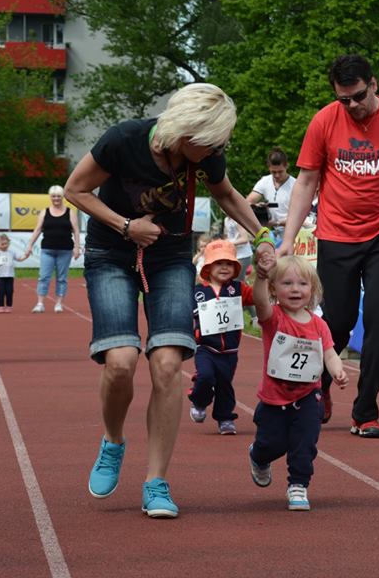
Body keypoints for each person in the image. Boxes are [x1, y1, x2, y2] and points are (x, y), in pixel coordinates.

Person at [63, 82, 275, 519]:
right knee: (120, 361)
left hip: (171, 256)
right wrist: (127, 226)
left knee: (166, 365)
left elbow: (227, 194)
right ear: (187, 135)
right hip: (112, 251)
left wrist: (263, 235)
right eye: (214, 142)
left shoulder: (207, 153)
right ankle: (113, 441)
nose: (220, 148)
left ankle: (156, 482)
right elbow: (75, 190)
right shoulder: (124, 140)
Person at [280, 53, 379, 438]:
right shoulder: (324, 121)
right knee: (339, 321)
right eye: (343, 99)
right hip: (335, 235)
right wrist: (286, 242)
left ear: (374, 84)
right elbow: (306, 181)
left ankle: (366, 410)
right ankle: (322, 387)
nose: (352, 106)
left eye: (358, 97)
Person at [248, 254, 349, 511]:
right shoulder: (274, 319)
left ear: (313, 290)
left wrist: (337, 371)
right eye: (287, 283)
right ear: (274, 289)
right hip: (274, 398)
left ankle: (298, 485)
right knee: (270, 444)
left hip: (308, 396)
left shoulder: (319, 325)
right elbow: (259, 302)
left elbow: (329, 352)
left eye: (302, 284)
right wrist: (261, 277)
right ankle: (258, 457)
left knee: (305, 442)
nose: (295, 289)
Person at [189, 239, 255, 435]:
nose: (224, 267)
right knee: (206, 376)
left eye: (228, 264)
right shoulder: (197, 292)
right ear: (208, 267)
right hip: (205, 347)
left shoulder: (239, 289)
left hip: (230, 350)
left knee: (225, 384)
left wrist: (264, 278)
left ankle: (225, 418)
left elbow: (257, 298)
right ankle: (199, 401)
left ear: (235, 267)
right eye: (218, 263)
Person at [21, 185, 82, 313]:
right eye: (53, 196)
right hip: (47, 250)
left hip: (65, 250)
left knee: (61, 278)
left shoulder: (70, 212)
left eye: (58, 196)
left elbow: (76, 231)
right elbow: (38, 229)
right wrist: (30, 245)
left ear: (62, 197)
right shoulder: (45, 211)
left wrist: (77, 247)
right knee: (43, 276)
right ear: (50, 197)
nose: (56, 199)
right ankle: (40, 303)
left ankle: (59, 304)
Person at [246, 147, 295, 246]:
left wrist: (277, 223)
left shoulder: (295, 185)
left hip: (291, 232)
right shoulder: (265, 181)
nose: (277, 175)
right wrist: (256, 206)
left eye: (280, 172)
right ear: (269, 167)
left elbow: (298, 215)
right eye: (273, 172)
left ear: (287, 166)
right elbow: (248, 202)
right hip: (271, 232)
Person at [0, 234, 22, 313]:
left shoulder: (12, 252)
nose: (5, 246)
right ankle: (1, 306)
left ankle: (9, 306)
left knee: (10, 291)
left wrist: (26, 255)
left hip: (10, 275)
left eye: (6, 243)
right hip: (1, 276)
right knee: (1, 291)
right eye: (2, 244)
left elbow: (19, 258)